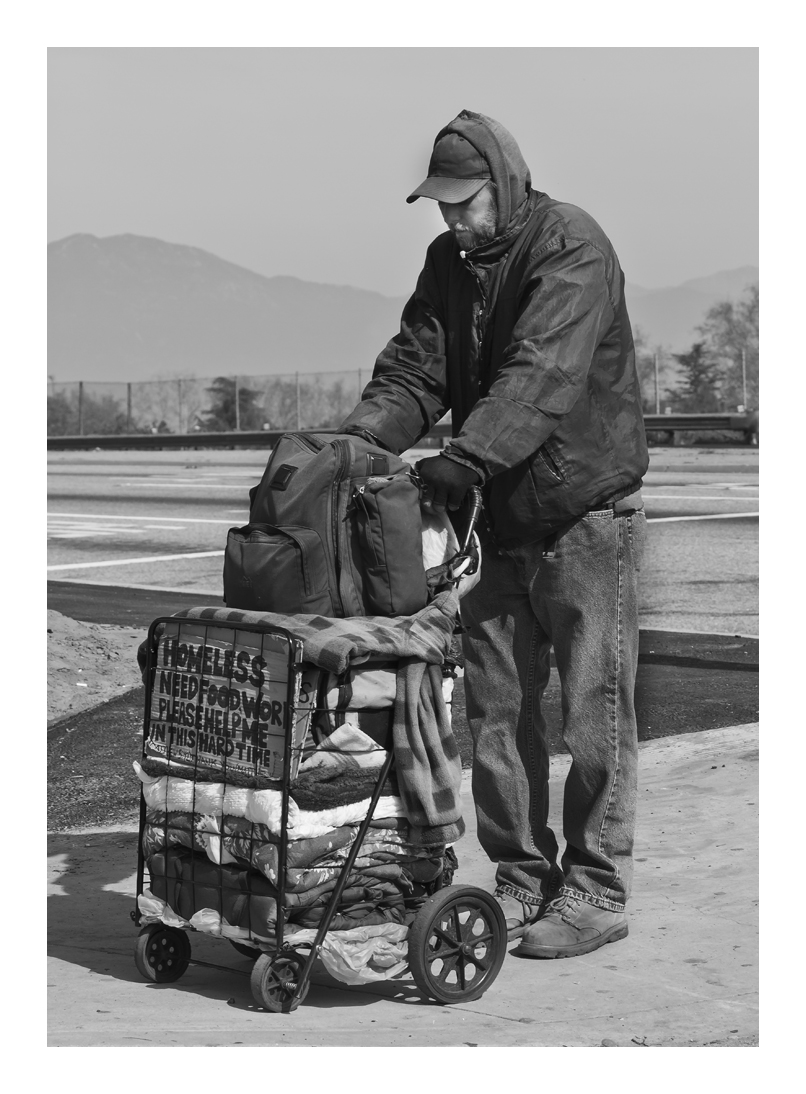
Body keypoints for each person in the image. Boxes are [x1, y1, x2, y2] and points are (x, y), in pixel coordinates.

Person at [339, 109, 649, 959]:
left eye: (465, 203)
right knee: (498, 717)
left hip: (585, 516)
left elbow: (541, 372)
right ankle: (520, 877)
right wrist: (358, 445)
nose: (453, 220)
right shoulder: (450, 263)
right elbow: (415, 367)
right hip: (496, 521)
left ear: (504, 186)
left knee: (593, 714)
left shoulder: (570, 245)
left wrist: (467, 457)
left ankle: (595, 890)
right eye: (442, 206)